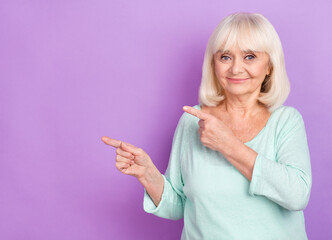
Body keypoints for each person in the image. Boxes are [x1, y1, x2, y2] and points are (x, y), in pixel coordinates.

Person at [102, 12, 312, 240]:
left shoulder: (286, 121)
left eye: (250, 57)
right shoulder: (193, 120)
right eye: (225, 57)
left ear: (269, 66)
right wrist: (148, 174)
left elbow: (297, 195)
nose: (236, 68)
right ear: (214, 64)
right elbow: (180, 206)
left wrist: (228, 145)